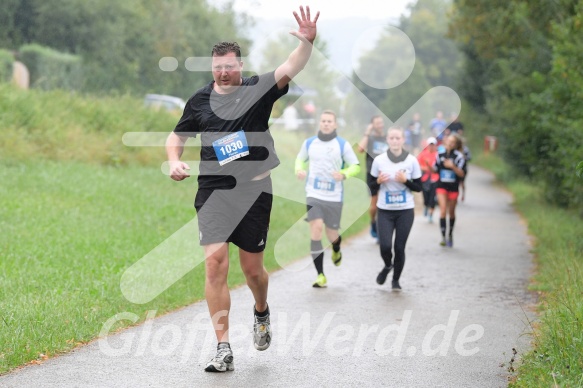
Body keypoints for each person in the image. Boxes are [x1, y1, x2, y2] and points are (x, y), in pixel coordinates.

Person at [165, 6, 319, 373]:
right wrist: (174, 159)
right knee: (215, 266)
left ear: (240, 65)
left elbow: (291, 66)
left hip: (253, 193)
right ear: (211, 67)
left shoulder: (258, 88)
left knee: (253, 272)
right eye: (217, 66)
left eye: (229, 65)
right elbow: (178, 135)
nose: (223, 71)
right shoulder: (199, 100)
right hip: (214, 192)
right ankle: (223, 347)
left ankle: (261, 312)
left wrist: (308, 43)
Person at [295, 110, 360, 288]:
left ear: (335, 124)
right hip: (314, 194)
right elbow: (300, 160)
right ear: (319, 123)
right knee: (316, 229)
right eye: (323, 121)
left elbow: (355, 166)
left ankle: (336, 249)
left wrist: (344, 174)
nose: (326, 124)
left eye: (329, 121)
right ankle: (320, 275)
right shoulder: (309, 143)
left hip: (334, 196)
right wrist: (299, 169)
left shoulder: (342, 145)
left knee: (332, 235)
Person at [370, 126, 422, 291]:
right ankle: (387, 266)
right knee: (385, 246)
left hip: (405, 210)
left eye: (397, 138)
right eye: (391, 138)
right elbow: (370, 185)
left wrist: (405, 180)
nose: (394, 141)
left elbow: (419, 187)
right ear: (387, 140)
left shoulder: (412, 161)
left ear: (403, 140)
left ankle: (395, 281)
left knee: (399, 247)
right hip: (385, 210)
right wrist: (377, 182)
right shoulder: (379, 161)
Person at [357, 115, 388, 241]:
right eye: (377, 123)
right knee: (374, 206)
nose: (379, 125)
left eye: (381, 122)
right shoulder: (369, 138)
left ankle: (382, 231)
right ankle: (373, 223)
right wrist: (367, 132)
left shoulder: (387, 138)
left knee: (382, 204)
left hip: (385, 173)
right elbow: (360, 149)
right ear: (372, 125)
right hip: (372, 174)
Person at [434, 133, 466, 247]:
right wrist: (428, 168)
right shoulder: (440, 154)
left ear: (456, 144)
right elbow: (435, 169)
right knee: (443, 210)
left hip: (453, 187)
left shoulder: (459, 157)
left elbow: (462, 174)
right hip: (441, 186)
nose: (450, 143)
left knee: (451, 212)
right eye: (449, 141)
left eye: (453, 142)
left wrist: (452, 167)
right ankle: (443, 237)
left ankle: (450, 234)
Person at [417, 136, 439, 222]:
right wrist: (426, 168)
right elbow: (418, 165)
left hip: (435, 178)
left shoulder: (438, 155)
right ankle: (426, 206)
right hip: (425, 178)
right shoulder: (423, 154)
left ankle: (431, 214)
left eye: (433, 145)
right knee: (426, 196)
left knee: (433, 198)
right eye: (430, 145)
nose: (431, 146)